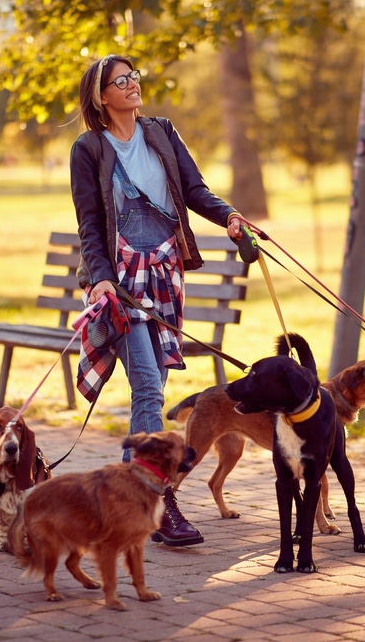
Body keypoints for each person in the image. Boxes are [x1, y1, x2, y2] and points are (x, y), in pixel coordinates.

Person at [70, 54, 245, 547]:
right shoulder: (89, 149)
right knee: (148, 386)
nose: (131, 85)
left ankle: (125, 502)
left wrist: (230, 216)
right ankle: (158, 504)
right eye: (119, 81)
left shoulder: (162, 132)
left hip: (165, 275)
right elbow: (89, 223)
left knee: (155, 387)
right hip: (120, 283)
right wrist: (101, 279)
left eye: (134, 77)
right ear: (101, 96)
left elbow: (195, 190)